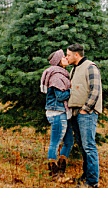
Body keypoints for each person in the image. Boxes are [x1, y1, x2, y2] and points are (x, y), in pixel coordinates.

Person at [64, 43, 102, 188]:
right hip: (76, 113)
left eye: (68, 55)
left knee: (89, 146)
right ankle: (86, 175)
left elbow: (95, 90)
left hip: (86, 114)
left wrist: (85, 109)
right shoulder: (74, 69)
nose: (66, 57)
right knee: (82, 146)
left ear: (76, 55)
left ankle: (92, 182)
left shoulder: (90, 67)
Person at [40, 49, 72, 178]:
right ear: (58, 61)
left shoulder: (62, 74)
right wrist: (73, 90)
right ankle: (54, 173)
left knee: (69, 141)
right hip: (57, 112)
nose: (66, 58)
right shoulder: (56, 76)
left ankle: (61, 171)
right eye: (64, 57)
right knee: (55, 142)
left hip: (63, 112)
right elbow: (60, 96)